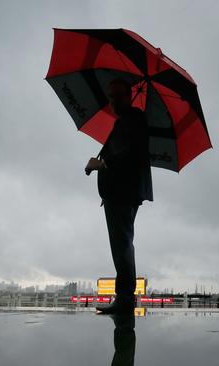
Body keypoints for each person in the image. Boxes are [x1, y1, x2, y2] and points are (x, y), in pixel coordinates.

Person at [85, 78, 153, 314]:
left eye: (118, 95)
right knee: (121, 243)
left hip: (123, 193)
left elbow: (127, 157)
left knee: (122, 243)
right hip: (120, 193)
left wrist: (100, 164)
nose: (113, 101)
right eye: (111, 96)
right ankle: (124, 296)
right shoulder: (126, 122)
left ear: (129, 95)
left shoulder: (133, 120)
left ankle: (125, 298)